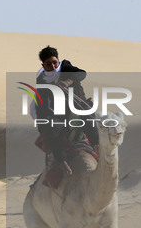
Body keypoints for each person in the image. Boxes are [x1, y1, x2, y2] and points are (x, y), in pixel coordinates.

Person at [34, 45, 98, 176]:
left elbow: (82, 73)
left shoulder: (66, 67)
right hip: (60, 113)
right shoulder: (42, 80)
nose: (52, 66)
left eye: (54, 62)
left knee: (90, 121)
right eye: (48, 64)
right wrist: (43, 124)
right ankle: (61, 161)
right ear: (43, 65)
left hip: (78, 105)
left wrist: (67, 82)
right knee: (51, 130)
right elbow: (41, 104)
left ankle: (99, 150)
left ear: (58, 60)